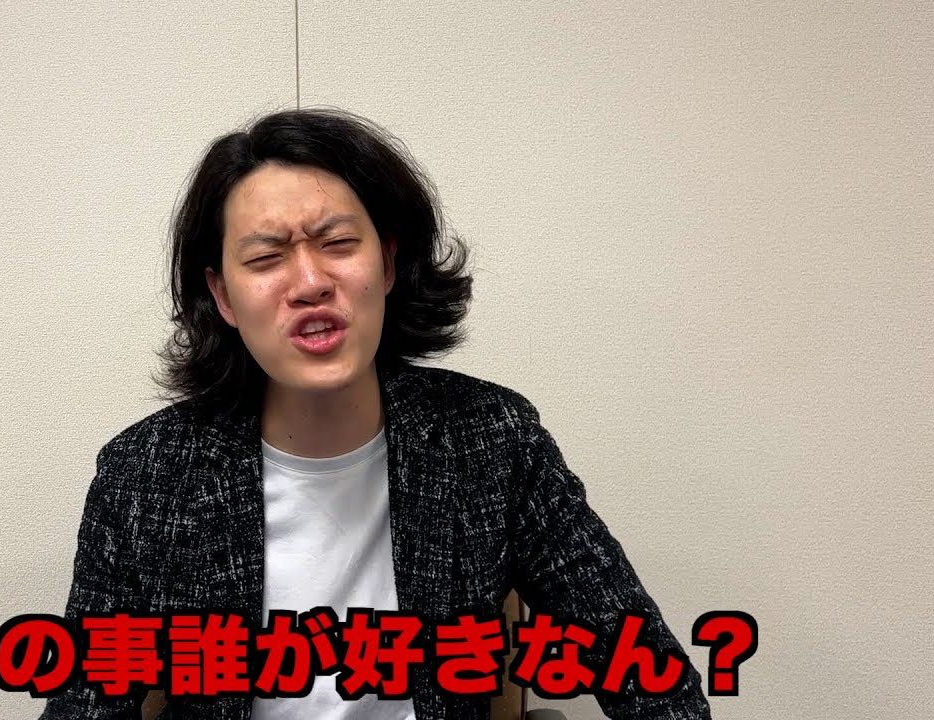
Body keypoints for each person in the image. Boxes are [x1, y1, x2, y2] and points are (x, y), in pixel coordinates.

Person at [40, 108, 711, 719]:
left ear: (387, 263)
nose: (310, 283)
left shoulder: (490, 440)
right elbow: (85, 704)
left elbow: (651, 676)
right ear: (222, 296)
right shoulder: (147, 476)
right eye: (266, 258)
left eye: (337, 243)